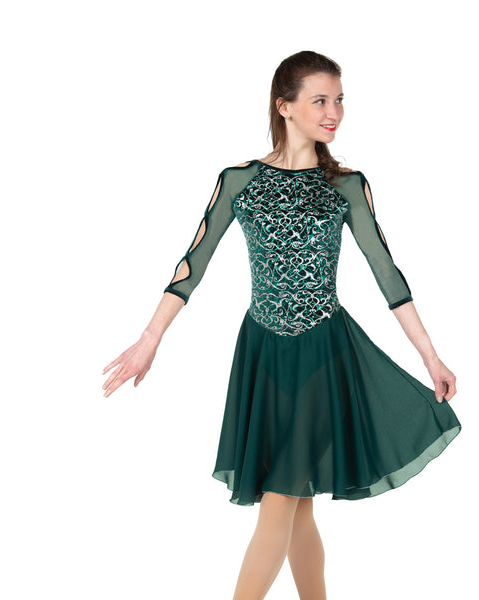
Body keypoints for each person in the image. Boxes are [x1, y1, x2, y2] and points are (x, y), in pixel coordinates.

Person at [102, 50, 461, 600]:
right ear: (284, 106)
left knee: (279, 499)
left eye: (339, 100)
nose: (334, 112)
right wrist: (150, 339)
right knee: (296, 504)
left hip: (323, 353)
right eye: (320, 100)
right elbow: (191, 265)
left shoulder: (346, 185)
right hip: (263, 354)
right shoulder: (239, 180)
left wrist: (430, 357)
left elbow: (388, 274)